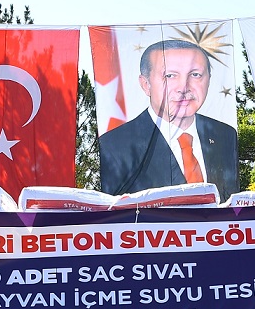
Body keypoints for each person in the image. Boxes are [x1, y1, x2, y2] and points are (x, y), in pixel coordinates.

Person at [98, 40, 239, 198]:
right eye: (170, 76)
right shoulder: (115, 145)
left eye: (195, 75)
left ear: (209, 80)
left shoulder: (225, 135)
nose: (184, 88)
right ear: (145, 84)